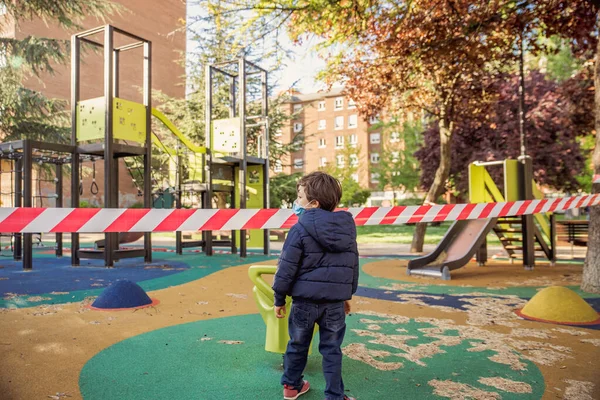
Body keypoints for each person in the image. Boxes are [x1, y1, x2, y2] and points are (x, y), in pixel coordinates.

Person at [273, 171, 359, 400]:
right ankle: (334, 395)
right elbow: (352, 265)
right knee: (332, 349)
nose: (296, 203)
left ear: (313, 203)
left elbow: (286, 267)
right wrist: (346, 296)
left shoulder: (299, 229)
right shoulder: (347, 229)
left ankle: (292, 386)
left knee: (298, 343)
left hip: (304, 302)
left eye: (300, 197)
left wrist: (279, 298)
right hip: (334, 304)